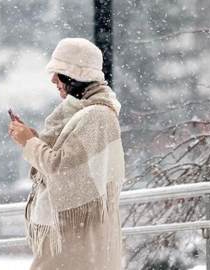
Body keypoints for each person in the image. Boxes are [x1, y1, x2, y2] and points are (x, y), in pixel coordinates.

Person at [8, 38, 125, 270]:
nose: (53, 80)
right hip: (72, 237)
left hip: (77, 240)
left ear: (75, 76)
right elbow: (69, 163)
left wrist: (30, 142)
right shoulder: (82, 113)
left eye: (58, 73)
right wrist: (30, 139)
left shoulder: (96, 116)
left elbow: (61, 168)